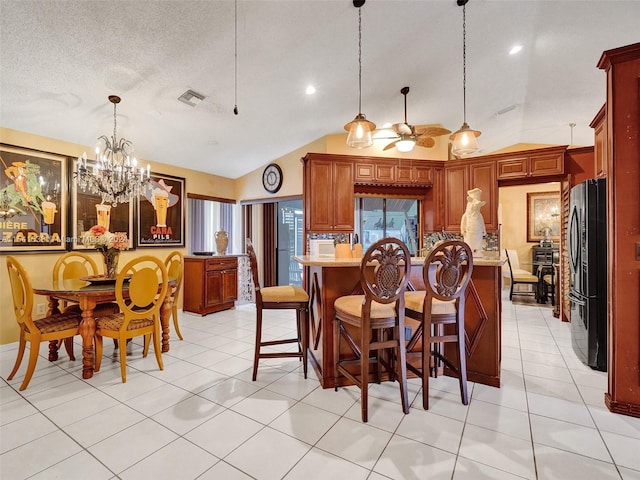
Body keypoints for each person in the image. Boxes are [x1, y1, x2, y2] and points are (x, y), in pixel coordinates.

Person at [460, 187, 486, 257]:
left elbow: (482, 222)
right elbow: (463, 221)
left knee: (478, 241)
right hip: (469, 232)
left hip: (478, 232)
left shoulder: (479, 215)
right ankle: (469, 251)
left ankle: (477, 251)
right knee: (469, 242)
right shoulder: (466, 215)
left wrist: (484, 230)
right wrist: (463, 229)